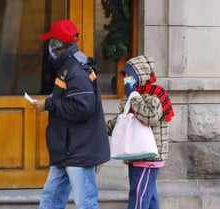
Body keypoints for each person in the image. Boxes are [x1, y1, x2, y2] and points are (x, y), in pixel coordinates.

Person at [32, 19, 110, 209]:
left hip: (78, 150)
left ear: (58, 45)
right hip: (67, 149)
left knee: (86, 204)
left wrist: (49, 104)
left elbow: (83, 107)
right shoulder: (69, 66)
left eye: (51, 43)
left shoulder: (75, 70)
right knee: (50, 200)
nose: (49, 47)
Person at [106, 55, 174, 209]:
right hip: (135, 153)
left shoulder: (155, 95)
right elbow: (123, 121)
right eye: (125, 75)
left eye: (130, 74)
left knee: (138, 196)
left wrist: (133, 96)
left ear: (140, 75)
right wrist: (102, 128)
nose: (126, 79)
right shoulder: (132, 97)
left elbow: (149, 117)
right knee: (148, 197)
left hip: (149, 155)